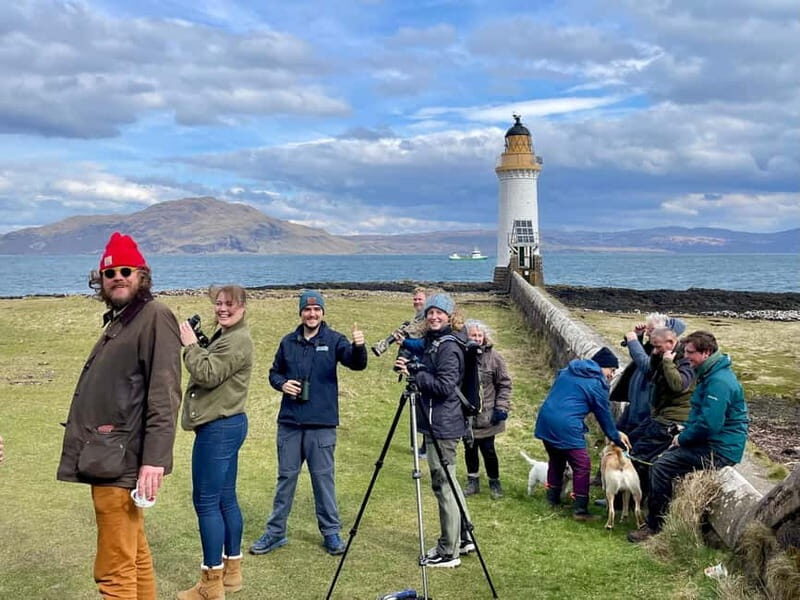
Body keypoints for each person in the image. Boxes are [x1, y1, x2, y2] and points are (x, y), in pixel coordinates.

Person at [56, 232, 182, 599]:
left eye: (126, 270)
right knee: (135, 555)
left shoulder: (155, 316)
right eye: (109, 272)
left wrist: (155, 461)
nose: (117, 277)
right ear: (101, 280)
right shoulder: (122, 319)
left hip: (121, 458)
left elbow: (165, 393)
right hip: (107, 455)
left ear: (142, 275)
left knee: (113, 570)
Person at [250, 290, 367, 557]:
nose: (311, 314)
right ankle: (275, 532)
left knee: (323, 479)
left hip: (321, 425)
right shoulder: (288, 341)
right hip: (290, 423)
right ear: (301, 313)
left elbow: (356, 364)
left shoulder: (335, 340)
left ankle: (331, 534)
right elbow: (273, 373)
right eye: (307, 310)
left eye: (316, 310)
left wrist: (359, 346)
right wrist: (282, 384)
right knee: (286, 478)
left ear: (322, 313)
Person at [628, 331, 748, 543]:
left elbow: (710, 425)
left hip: (721, 449)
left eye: (691, 353)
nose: (687, 357)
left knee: (661, 466)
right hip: (713, 442)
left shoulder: (718, 382)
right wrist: (685, 431)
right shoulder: (710, 374)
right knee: (661, 460)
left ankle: (656, 527)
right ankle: (655, 517)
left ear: (706, 352)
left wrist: (683, 439)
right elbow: (701, 417)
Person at [177, 285, 253, 599]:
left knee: (206, 502)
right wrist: (203, 344)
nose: (222, 309)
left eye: (229, 304)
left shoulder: (238, 340)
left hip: (218, 429)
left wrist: (191, 345)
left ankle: (210, 584)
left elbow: (208, 374)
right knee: (225, 499)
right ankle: (231, 574)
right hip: (230, 423)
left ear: (243, 307)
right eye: (218, 304)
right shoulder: (230, 336)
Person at [395, 293, 472, 568]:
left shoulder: (449, 347)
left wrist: (415, 373)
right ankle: (464, 537)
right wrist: (408, 350)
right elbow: (422, 348)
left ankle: (447, 551)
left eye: (440, 313)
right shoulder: (438, 341)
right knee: (450, 481)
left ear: (450, 315)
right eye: (430, 313)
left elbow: (443, 386)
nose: (434, 317)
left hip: (443, 423)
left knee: (443, 485)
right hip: (441, 420)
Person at [534, 347, 630, 521]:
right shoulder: (596, 384)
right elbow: (604, 415)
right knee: (582, 466)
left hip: (545, 420)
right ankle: (580, 510)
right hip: (567, 426)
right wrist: (616, 437)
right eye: (611, 370)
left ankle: (552, 499)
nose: (611, 375)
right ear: (602, 366)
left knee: (556, 459)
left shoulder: (566, 371)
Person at [626, 327, 694, 497]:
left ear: (671, 342)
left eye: (657, 346)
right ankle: (634, 498)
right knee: (631, 442)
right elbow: (652, 372)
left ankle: (629, 500)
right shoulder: (664, 355)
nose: (655, 350)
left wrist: (667, 362)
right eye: (653, 347)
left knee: (639, 454)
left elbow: (679, 385)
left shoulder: (684, 360)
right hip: (659, 415)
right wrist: (657, 357)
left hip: (670, 419)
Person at [462, 319, 512, 500]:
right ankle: (472, 481)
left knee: (489, 450)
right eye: (473, 335)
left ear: (484, 337)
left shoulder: (495, 358)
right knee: (469, 449)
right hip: (466, 415)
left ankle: (494, 482)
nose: (476, 339)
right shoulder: (461, 355)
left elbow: (505, 384)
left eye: (479, 335)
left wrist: (501, 407)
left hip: (488, 415)